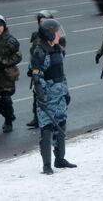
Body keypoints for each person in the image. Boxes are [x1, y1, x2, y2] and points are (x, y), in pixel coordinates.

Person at [31, 19, 76, 175]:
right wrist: (42, 97)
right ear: (49, 33)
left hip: (60, 96)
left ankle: (60, 159)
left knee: (61, 125)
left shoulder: (57, 49)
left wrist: (66, 92)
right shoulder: (40, 52)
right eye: (57, 31)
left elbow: (61, 74)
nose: (59, 34)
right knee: (47, 129)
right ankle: (46, 165)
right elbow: (37, 78)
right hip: (48, 97)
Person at [0, 15, 22, 133]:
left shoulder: (10, 40)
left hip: (6, 74)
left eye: (0, 26)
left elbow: (18, 56)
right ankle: (8, 114)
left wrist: (5, 63)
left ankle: (8, 121)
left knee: (6, 98)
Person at [27, 10, 54, 128]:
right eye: (40, 22)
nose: (42, 24)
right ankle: (37, 118)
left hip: (49, 70)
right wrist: (31, 68)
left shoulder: (54, 35)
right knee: (36, 93)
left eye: (44, 22)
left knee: (50, 94)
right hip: (38, 68)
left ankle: (50, 117)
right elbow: (33, 54)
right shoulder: (36, 35)